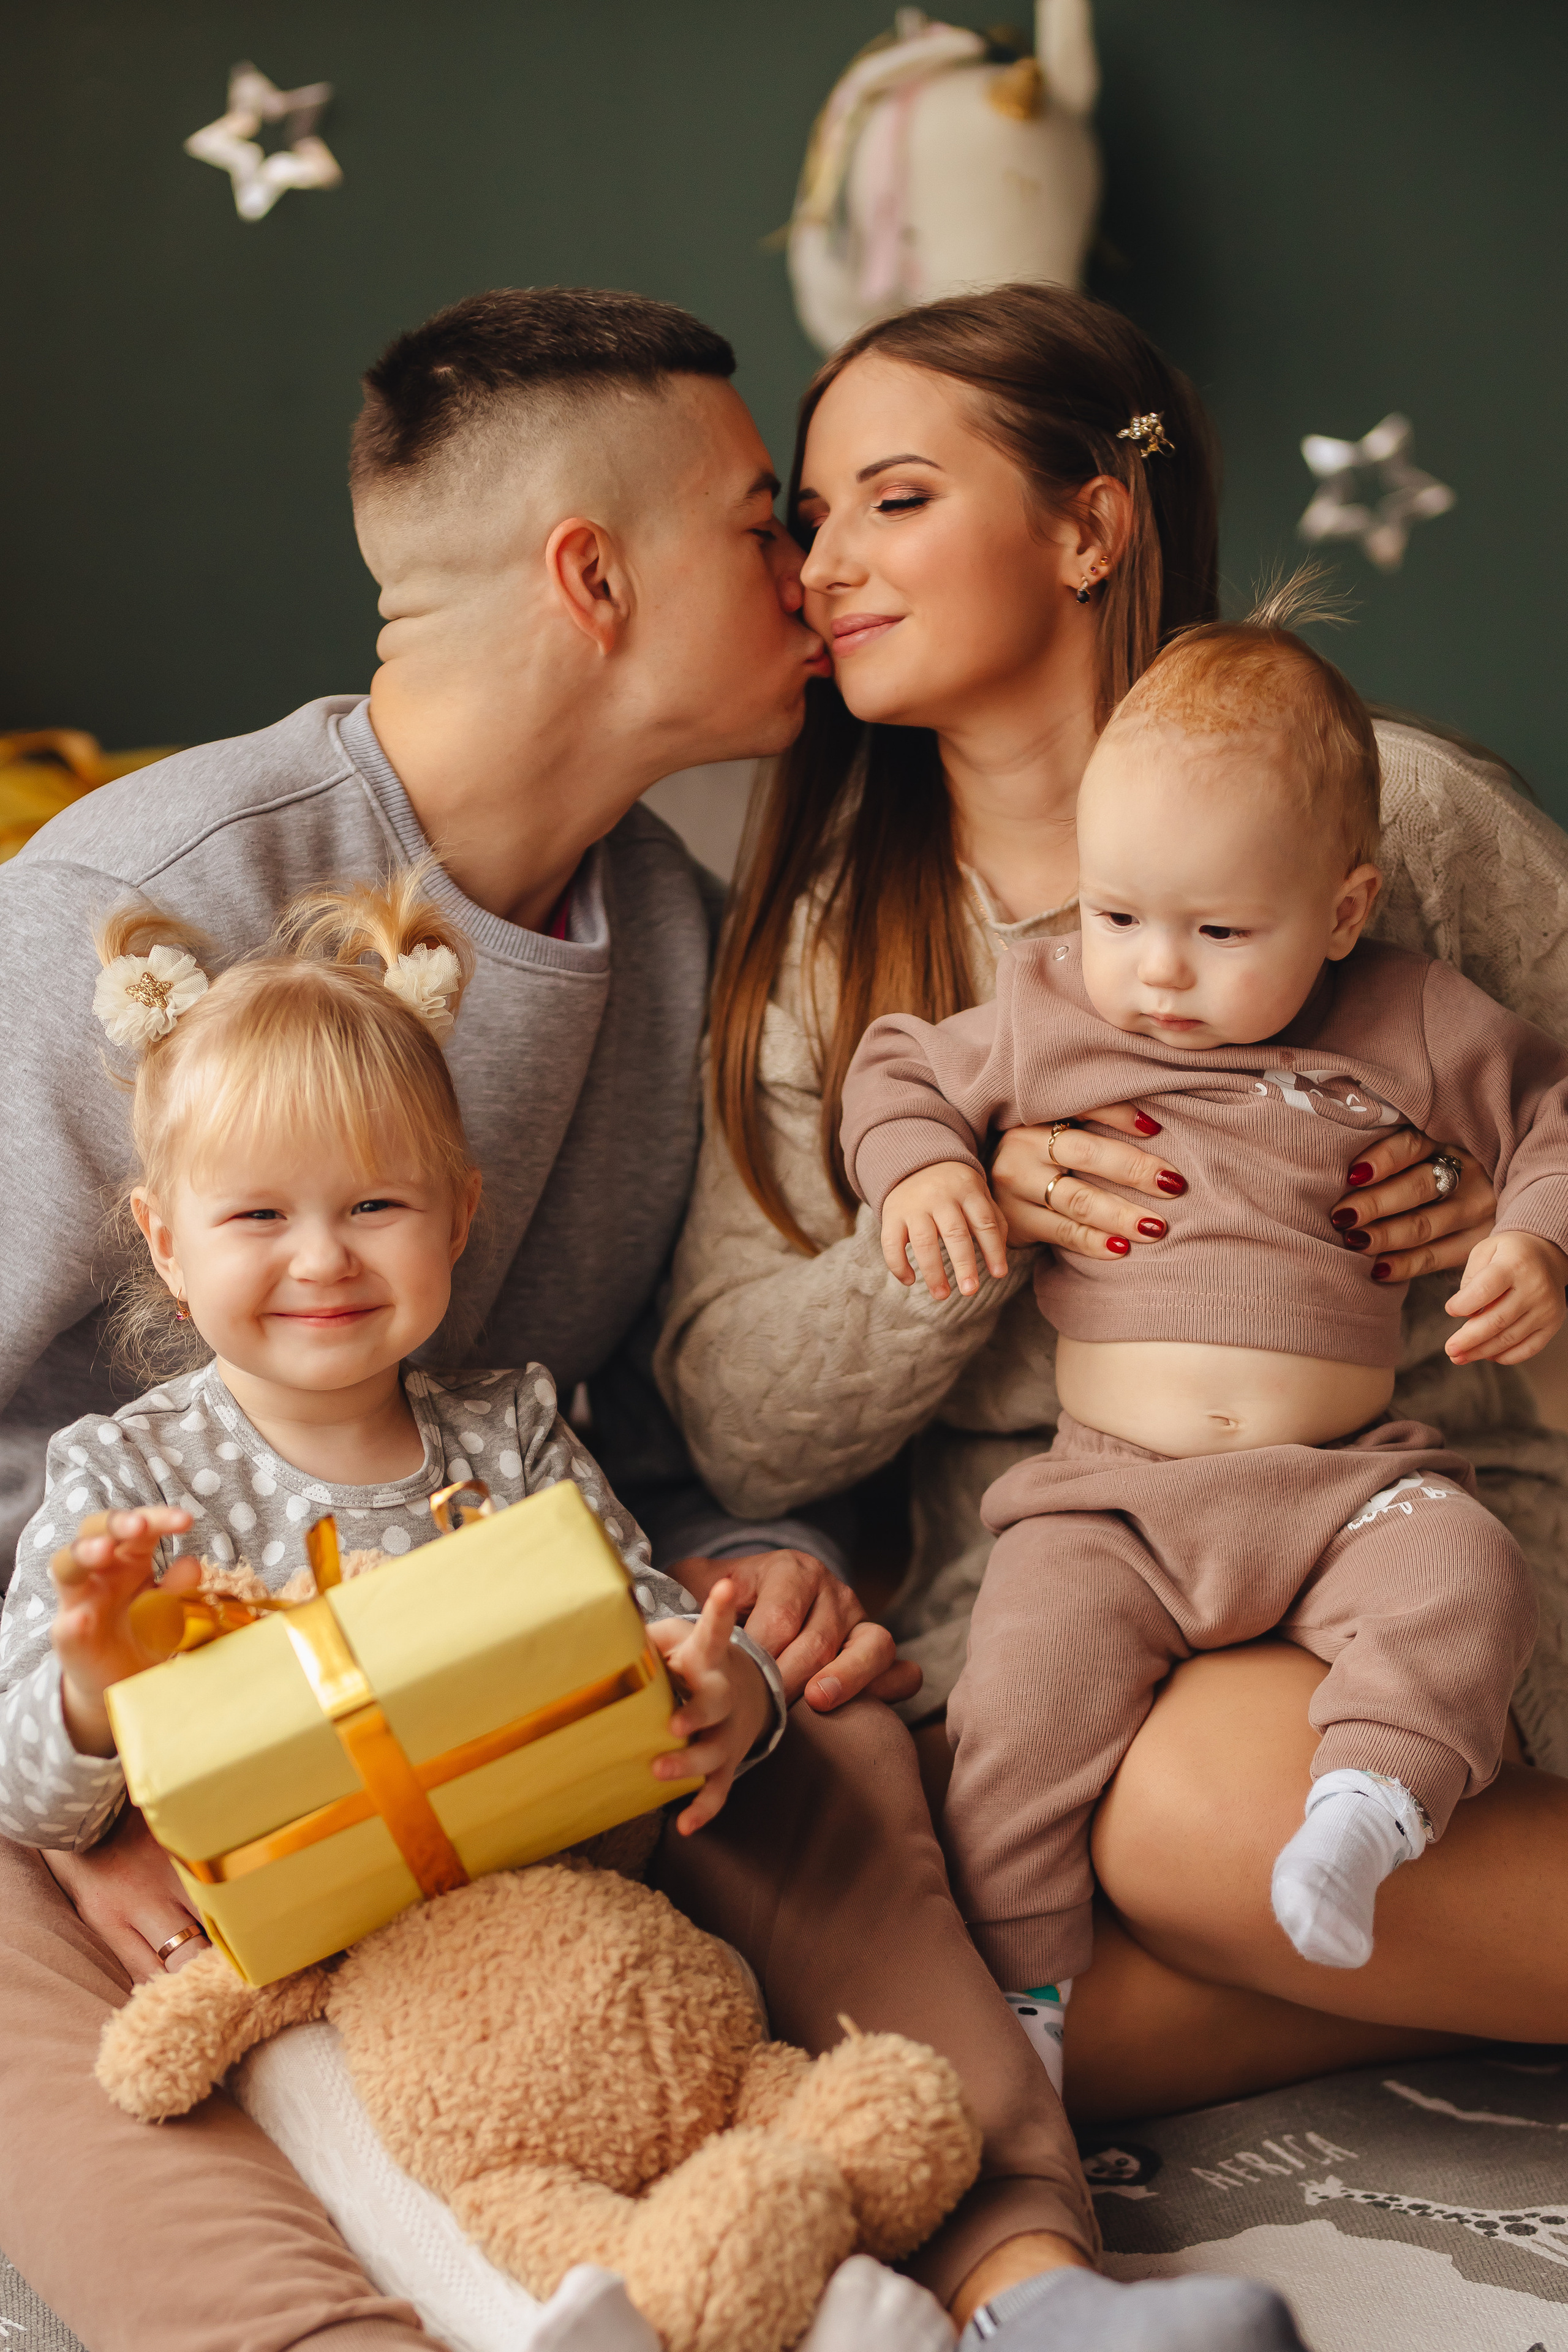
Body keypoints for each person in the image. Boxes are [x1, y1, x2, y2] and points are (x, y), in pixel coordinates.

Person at [0, 287, 1302, 2352]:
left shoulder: (682, 929)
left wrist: (759, 1586)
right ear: (594, 579)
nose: (817, 575)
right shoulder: (121, 912)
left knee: (828, 1742)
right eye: (763, 521)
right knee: (55, 2006)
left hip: (497, 1675)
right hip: (114, 1701)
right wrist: (72, 1786)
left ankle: (1026, 2287)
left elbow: (629, 1427)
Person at [656, 281, 1568, 2130]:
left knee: (1180, 1826)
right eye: (812, 519)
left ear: (1090, 523)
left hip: (1414, 1528)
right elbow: (731, 1400)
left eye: (897, 499)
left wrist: (1491, 1216)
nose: (827, 562)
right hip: (1077, 1577)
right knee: (938, 2027)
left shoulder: (1402, 823)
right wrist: (961, 1226)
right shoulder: (835, 957)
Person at [842, 594, 1566, 2061]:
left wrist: (1529, 1232)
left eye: (1218, 930)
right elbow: (897, 1067)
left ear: (1342, 911)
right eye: (1117, 918)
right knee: (1017, 1712)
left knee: (1460, 1570)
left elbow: (1552, 1109)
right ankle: (1030, 2003)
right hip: (1108, 1495)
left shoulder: (1409, 1017)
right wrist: (923, 1166)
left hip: (1339, 1483)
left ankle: (1369, 1808)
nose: (1155, 973)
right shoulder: (1056, 1007)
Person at [0, 871, 781, 1856]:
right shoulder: (126, 1482)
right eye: (258, 1215)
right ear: (165, 1245)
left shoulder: (513, 1437)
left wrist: (739, 1689)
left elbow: (658, 1630)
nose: (324, 1258)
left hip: (528, 1894)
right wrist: (89, 1690)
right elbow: (33, 1813)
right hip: (296, 1939)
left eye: (374, 1206)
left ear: (458, 1217)